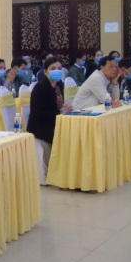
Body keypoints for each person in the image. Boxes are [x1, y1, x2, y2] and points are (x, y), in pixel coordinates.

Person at [26, 57, 73, 185]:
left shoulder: (59, 86)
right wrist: (60, 111)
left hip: (54, 124)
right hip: (41, 128)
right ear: (46, 72)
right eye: (53, 69)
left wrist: (65, 108)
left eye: (59, 68)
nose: (57, 71)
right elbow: (38, 112)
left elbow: (58, 106)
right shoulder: (40, 88)